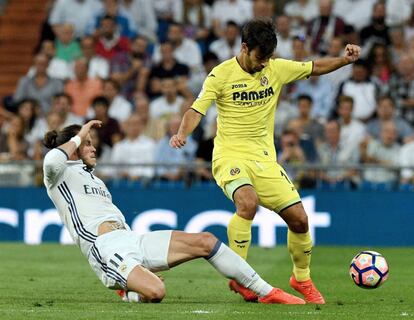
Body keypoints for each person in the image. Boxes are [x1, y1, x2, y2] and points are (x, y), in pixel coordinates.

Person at [170, 18, 362, 304]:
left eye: (269, 57)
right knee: (247, 204)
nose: (264, 64)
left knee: (299, 219)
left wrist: (344, 61)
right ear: (245, 47)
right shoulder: (220, 75)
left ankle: (301, 277)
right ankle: (240, 277)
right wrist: (182, 133)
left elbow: (314, 67)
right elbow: (197, 109)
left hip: (264, 160)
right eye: (261, 57)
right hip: (230, 155)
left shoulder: (275, 68)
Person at [42, 120, 305, 304]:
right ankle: (131, 289)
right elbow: (52, 159)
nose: (93, 147)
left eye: (91, 142)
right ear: (74, 148)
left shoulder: (95, 180)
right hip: (106, 250)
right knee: (157, 292)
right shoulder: (59, 174)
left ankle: (266, 291)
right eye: (87, 143)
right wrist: (80, 133)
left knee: (206, 241)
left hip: (131, 239)